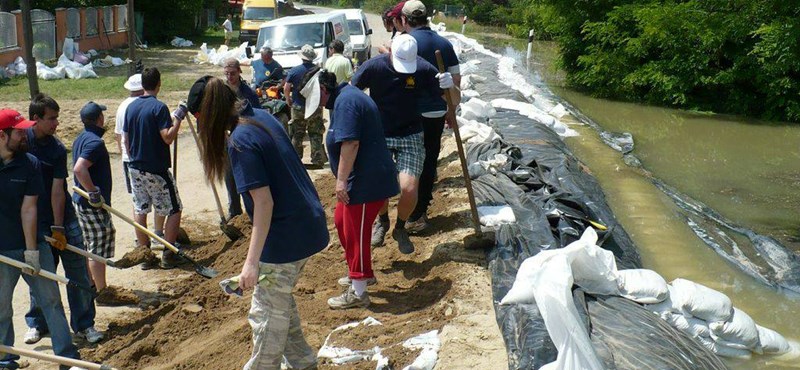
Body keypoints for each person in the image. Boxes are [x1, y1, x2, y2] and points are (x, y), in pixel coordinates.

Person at [195, 77, 328, 370]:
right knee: (279, 305)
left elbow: (264, 204)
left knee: (266, 317)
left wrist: (251, 263)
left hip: (286, 238)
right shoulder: (261, 116)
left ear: (207, 115)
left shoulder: (240, 141)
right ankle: (304, 364)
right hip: (307, 224)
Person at [302, 67, 399, 309]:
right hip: (361, 179)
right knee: (342, 222)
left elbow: (351, 142)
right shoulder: (344, 99)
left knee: (357, 232)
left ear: (324, 90)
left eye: (318, 99)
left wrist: (341, 180)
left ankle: (358, 292)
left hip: (366, 181)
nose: (320, 105)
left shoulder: (346, 103)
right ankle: (361, 273)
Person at [351, 33, 454, 254]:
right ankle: (383, 220)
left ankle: (400, 227)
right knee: (380, 187)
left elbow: (453, 101)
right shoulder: (374, 67)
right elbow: (352, 91)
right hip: (380, 134)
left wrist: (450, 86)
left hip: (411, 133)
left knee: (408, 188)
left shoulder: (425, 69)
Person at [0, 109, 84, 370]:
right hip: (1, 252)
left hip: (31, 244)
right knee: (1, 307)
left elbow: (29, 209)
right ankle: (5, 359)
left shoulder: (30, 164)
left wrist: (31, 251)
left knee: (50, 302)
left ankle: (66, 358)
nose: (24, 134)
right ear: (2, 136)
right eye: (18, 131)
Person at [23, 94, 103, 345]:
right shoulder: (21, 143)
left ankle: (84, 325)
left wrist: (59, 227)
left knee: (78, 272)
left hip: (63, 219)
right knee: (40, 274)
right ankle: (38, 324)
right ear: (35, 119)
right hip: (34, 220)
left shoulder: (57, 149)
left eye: (57, 117)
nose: (57, 123)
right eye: (52, 119)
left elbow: (59, 189)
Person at [401, 0, 462, 233]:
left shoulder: (405, 43)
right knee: (428, 162)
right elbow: (455, 83)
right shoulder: (444, 44)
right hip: (436, 111)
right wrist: (451, 111)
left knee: (407, 160)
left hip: (409, 113)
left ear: (405, 20)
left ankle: (406, 204)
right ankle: (418, 214)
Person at [123, 67, 186, 269]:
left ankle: (145, 254)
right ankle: (169, 253)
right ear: (159, 84)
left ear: (143, 84)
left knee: (140, 208)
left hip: (135, 167)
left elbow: (125, 139)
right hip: (156, 168)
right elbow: (167, 137)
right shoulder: (159, 108)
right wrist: (178, 118)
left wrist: (135, 156)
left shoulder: (131, 107)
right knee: (174, 209)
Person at [115, 74, 167, 249]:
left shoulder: (124, 106)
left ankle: (141, 241)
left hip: (130, 160)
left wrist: (126, 154)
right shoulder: (146, 106)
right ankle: (158, 234)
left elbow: (119, 136)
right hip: (147, 160)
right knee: (160, 200)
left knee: (139, 203)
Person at [73, 102, 117, 305]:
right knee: (98, 246)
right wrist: (93, 192)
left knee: (90, 243)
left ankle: (92, 284)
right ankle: (102, 292)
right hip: (92, 205)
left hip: (81, 204)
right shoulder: (95, 143)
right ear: (99, 119)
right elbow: (79, 169)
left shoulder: (81, 138)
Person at [223, 58, 261, 217]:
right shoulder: (222, 92)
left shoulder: (248, 93)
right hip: (226, 139)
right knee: (230, 177)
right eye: (226, 74)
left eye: (232, 73)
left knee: (247, 177)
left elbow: (257, 116)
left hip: (244, 139)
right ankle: (235, 213)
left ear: (239, 72)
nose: (230, 77)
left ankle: (251, 213)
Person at [284, 44, 326, 168]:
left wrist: (288, 99)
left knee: (297, 133)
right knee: (316, 133)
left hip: (298, 106)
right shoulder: (319, 71)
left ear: (302, 57)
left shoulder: (294, 71)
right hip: (314, 106)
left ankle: (296, 160)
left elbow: (286, 87)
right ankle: (317, 159)